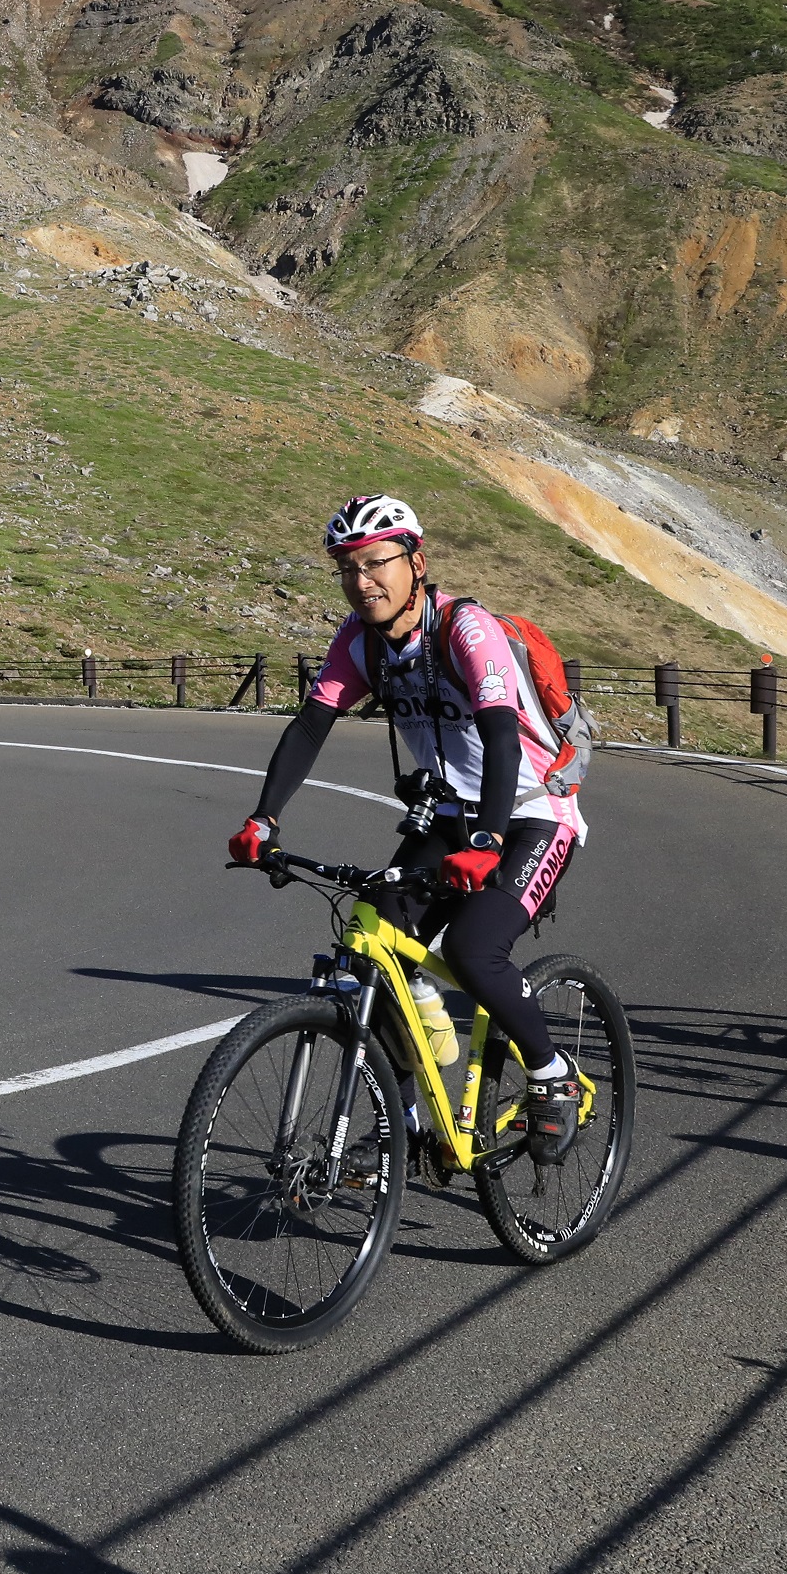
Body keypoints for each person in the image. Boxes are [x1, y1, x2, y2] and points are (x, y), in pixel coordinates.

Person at [226, 493, 590, 1162]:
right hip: (451, 815)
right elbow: (312, 726)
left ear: (416, 562)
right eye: (346, 569)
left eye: (375, 563)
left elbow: (502, 738)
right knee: (375, 938)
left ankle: (552, 1076)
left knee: (479, 951)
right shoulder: (359, 640)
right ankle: (408, 1118)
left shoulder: (465, 630)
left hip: (533, 812)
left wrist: (486, 842)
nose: (361, 582)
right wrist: (263, 817)